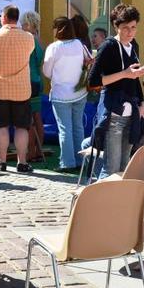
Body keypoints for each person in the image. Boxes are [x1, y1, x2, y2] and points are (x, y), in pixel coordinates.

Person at [87, 4, 144, 177]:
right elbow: (93, 81)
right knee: (111, 168)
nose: (130, 32)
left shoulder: (134, 45)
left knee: (124, 167)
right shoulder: (108, 46)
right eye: (125, 28)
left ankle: (118, 203)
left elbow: (134, 78)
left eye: (133, 27)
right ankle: (101, 203)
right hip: (114, 113)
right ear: (116, 26)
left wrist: (141, 102)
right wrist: (124, 74)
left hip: (132, 112)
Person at [0, 5, 36, 173]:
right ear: (16, 18)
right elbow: (30, 53)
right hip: (21, 89)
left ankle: (1, 161)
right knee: (21, 127)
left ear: (3, 17)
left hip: (0, 88)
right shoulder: (28, 37)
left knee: (1, 126)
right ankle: (22, 162)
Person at [43, 17, 91, 173]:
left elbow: (46, 72)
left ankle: (67, 162)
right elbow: (88, 60)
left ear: (57, 29)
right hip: (80, 91)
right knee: (78, 127)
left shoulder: (54, 47)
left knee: (65, 129)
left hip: (61, 93)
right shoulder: (79, 44)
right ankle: (80, 160)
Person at [22, 11, 46, 162]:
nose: (21, 26)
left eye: (23, 23)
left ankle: (30, 152)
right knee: (37, 118)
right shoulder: (38, 38)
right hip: (38, 79)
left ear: (28, 24)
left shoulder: (28, 38)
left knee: (28, 119)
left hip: (28, 80)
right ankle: (38, 150)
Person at [73, 15, 100, 137]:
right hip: (84, 86)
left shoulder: (76, 44)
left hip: (77, 86)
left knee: (72, 123)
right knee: (80, 121)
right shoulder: (86, 43)